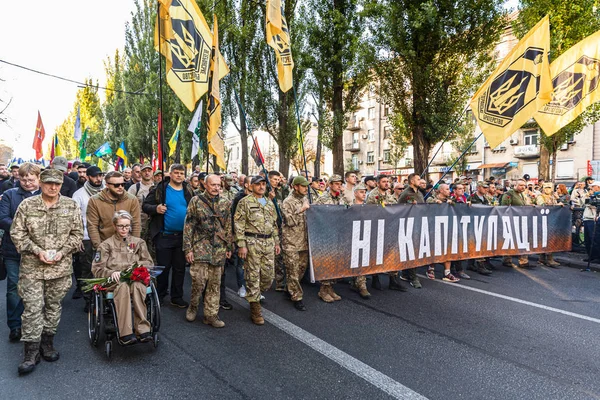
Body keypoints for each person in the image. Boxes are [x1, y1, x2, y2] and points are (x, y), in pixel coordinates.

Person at [10, 169, 83, 375]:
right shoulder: (27, 205)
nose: (53, 187)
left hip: (59, 268)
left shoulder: (70, 205)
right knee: (32, 308)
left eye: (57, 184)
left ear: (62, 184)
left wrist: (63, 251)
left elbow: (77, 234)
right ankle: (30, 351)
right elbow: (17, 233)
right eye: (49, 183)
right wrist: (36, 250)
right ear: (40, 183)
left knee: (53, 307)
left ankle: (47, 343)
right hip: (32, 268)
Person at [91, 211, 154, 344]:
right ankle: (125, 333)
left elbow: (149, 263)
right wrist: (110, 273)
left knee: (137, 286)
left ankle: (143, 329)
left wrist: (136, 268)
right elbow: (97, 268)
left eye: (127, 226)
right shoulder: (106, 245)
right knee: (123, 287)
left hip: (135, 279)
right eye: (121, 226)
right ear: (115, 226)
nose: (124, 229)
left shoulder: (139, 243)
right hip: (115, 281)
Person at [183, 175, 232, 328]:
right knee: (198, 281)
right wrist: (188, 249)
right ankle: (193, 306)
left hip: (218, 248)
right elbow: (188, 225)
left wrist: (229, 247)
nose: (216, 187)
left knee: (214, 284)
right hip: (200, 247)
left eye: (219, 185)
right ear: (205, 184)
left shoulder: (225, 203)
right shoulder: (196, 201)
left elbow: (229, 226)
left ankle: (211, 315)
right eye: (213, 185)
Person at [0, 163, 42, 343]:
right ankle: (15, 326)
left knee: (37, 289)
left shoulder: (45, 195)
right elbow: (3, 219)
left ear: (38, 179)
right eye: (23, 179)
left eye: (31, 179)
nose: (27, 182)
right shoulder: (10, 195)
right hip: (13, 250)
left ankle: (34, 324)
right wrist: (24, 230)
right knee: (13, 288)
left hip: (39, 251)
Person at [143, 164, 194, 308]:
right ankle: (160, 293)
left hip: (183, 237)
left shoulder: (188, 189)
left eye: (181, 173)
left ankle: (176, 296)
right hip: (164, 235)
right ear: (170, 174)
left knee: (179, 268)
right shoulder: (160, 189)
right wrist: (156, 208)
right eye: (176, 173)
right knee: (163, 268)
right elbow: (145, 205)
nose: (179, 175)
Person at [234, 175, 280, 325]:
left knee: (268, 277)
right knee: (253, 275)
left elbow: (274, 225)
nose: (261, 187)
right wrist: (241, 244)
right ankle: (255, 309)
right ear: (251, 186)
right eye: (258, 184)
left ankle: (256, 293)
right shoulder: (244, 202)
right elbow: (239, 224)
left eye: (263, 184)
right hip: (252, 242)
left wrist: (277, 243)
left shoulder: (269, 202)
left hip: (268, 242)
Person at [71, 166, 104, 309]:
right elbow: (74, 219)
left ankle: (103, 298)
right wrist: (78, 238)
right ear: (89, 177)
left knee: (105, 268)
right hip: (86, 237)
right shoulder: (79, 194)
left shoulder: (106, 191)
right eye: (95, 176)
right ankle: (89, 300)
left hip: (105, 236)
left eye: (100, 176)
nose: (98, 179)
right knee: (88, 270)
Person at [367, 175, 406, 291]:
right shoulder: (372, 196)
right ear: (378, 183)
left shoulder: (389, 195)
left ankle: (393, 280)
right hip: (376, 228)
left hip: (389, 227)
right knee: (375, 254)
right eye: (383, 182)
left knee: (392, 253)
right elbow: (369, 211)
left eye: (387, 182)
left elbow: (395, 207)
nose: (386, 184)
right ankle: (375, 278)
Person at [315, 175, 350, 302]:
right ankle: (323, 290)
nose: (339, 186)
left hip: (338, 234)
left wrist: (345, 195)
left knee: (335, 263)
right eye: (336, 184)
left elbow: (348, 209)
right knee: (326, 262)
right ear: (330, 185)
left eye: (340, 184)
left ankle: (330, 288)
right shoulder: (323, 198)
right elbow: (317, 215)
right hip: (326, 235)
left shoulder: (341, 197)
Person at [87, 171, 141, 250]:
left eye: (123, 184)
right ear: (107, 185)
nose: (120, 187)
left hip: (126, 247)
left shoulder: (132, 199)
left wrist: (132, 246)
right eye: (116, 185)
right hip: (104, 246)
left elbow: (136, 224)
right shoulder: (95, 200)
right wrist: (99, 247)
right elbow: (92, 226)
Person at [281, 176, 310, 311]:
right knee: (292, 270)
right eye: (303, 186)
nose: (306, 188)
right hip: (291, 242)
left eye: (306, 186)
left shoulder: (305, 199)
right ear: (295, 186)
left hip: (304, 242)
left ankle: (290, 289)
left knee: (301, 269)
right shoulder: (288, 202)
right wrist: (301, 210)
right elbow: (289, 221)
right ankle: (297, 297)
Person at [426, 184, 460, 282]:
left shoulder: (449, 199)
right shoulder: (432, 197)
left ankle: (447, 273)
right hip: (434, 227)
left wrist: (452, 202)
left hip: (447, 227)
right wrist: (436, 202)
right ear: (441, 191)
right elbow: (428, 202)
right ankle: (430, 269)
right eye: (447, 189)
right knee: (434, 249)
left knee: (447, 249)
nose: (449, 191)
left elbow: (457, 204)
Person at [397, 173, 423, 289]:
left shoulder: (419, 193)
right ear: (412, 181)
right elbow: (399, 208)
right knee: (412, 250)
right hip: (408, 225)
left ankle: (407, 273)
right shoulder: (406, 194)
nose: (420, 181)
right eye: (418, 179)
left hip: (418, 223)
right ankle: (413, 277)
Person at [501, 179, 531, 268]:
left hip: (522, 221)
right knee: (511, 241)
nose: (523, 187)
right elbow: (504, 208)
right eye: (521, 185)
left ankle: (523, 261)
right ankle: (507, 260)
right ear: (515, 185)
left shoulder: (521, 194)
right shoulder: (509, 194)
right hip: (512, 221)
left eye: (524, 186)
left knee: (523, 240)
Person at [231, 176, 252, 297]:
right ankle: (241, 286)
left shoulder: (260, 198)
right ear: (246, 185)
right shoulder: (239, 198)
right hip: (242, 235)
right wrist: (235, 237)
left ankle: (252, 288)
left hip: (255, 238)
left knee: (253, 264)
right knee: (241, 263)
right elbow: (234, 218)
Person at [350, 182, 371, 299]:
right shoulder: (349, 206)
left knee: (362, 260)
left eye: (365, 192)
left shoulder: (368, 207)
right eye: (361, 192)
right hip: (351, 236)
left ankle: (362, 285)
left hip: (364, 236)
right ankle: (354, 282)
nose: (364, 194)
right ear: (355, 193)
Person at [468, 182, 494, 275]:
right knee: (478, 244)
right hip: (474, 223)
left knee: (481, 243)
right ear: (478, 188)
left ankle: (472, 263)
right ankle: (480, 265)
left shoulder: (486, 198)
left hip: (484, 222)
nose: (486, 189)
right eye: (484, 187)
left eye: (487, 188)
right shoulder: (472, 198)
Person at [535, 182, 562, 267]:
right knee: (545, 239)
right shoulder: (540, 196)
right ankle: (548, 259)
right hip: (542, 220)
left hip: (552, 220)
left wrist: (559, 200)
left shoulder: (553, 196)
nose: (547, 189)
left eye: (549, 188)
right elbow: (542, 205)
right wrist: (556, 204)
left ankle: (543, 259)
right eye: (546, 187)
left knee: (550, 239)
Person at [127, 164, 154, 242]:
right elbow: (128, 206)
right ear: (141, 173)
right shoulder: (134, 188)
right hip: (138, 227)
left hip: (153, 228)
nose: (147, 173)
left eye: (149, 171)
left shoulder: (157, 188)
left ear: (152, 172)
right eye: (144, 171)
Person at [582, 181, 600, 263]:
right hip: (587, 217)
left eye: (593, 186)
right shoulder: (590, 195)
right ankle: (590, 256)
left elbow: (593, 205)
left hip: (593, 218)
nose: (591, 188)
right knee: (587, 239)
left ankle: (596, 256)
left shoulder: (598, 195)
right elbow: (583, 202)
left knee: (594, 238)